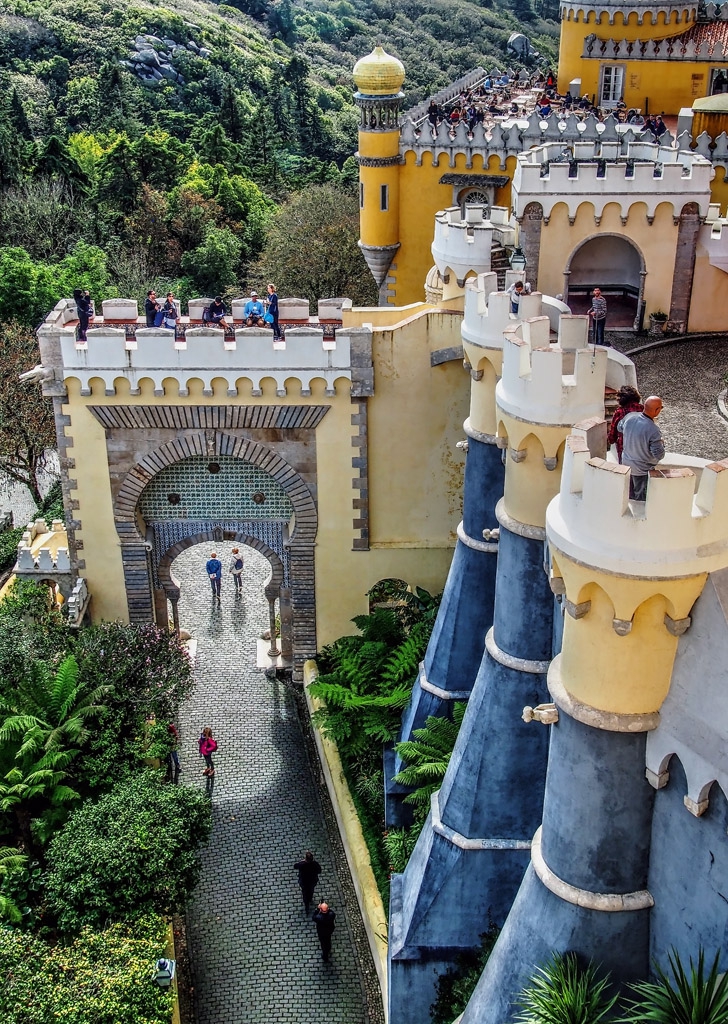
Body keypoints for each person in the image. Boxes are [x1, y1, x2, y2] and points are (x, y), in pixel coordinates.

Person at [619, 395, 665, 501]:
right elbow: (659, 454)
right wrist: (662, 443)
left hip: (626, 464)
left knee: (628, 495)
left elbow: (619, 427)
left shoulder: (630, 417)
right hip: (642, 470)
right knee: (641, 500)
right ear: (657, 410)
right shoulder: (653, 430)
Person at [607, 385, 643, 463]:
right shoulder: (643, 409)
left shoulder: (619, 412)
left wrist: (610, 439)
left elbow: (612, 436)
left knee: (625, 470)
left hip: (624, 447)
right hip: (641, 446)